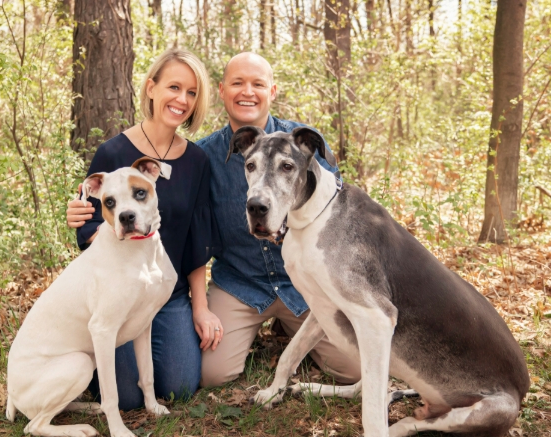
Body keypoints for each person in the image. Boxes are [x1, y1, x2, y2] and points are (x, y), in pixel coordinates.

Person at [65, 48, 222, 411]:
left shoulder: (196, 160)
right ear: (151, 88)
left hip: (169, 293)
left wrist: (200, 307)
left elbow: (197, 240)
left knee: (181, 386)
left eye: (192, 92)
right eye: (174, 87)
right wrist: (79, 216)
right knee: (128, 398)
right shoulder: (112, 152)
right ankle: (85, 358)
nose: (182, 100)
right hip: (119, 293)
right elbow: (89, 222)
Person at [196, 52, 359, 387]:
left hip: (302, 283)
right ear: (222, 90)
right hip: (240, 283)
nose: (247, 92)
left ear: (272, 91)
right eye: (237, 83)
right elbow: (190, 231)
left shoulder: (301, 142)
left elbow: (338, 211)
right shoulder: (204, 157)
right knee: (212, 374)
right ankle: (264, 324)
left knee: (352, 370)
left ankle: (289, 323)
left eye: (257, 84)